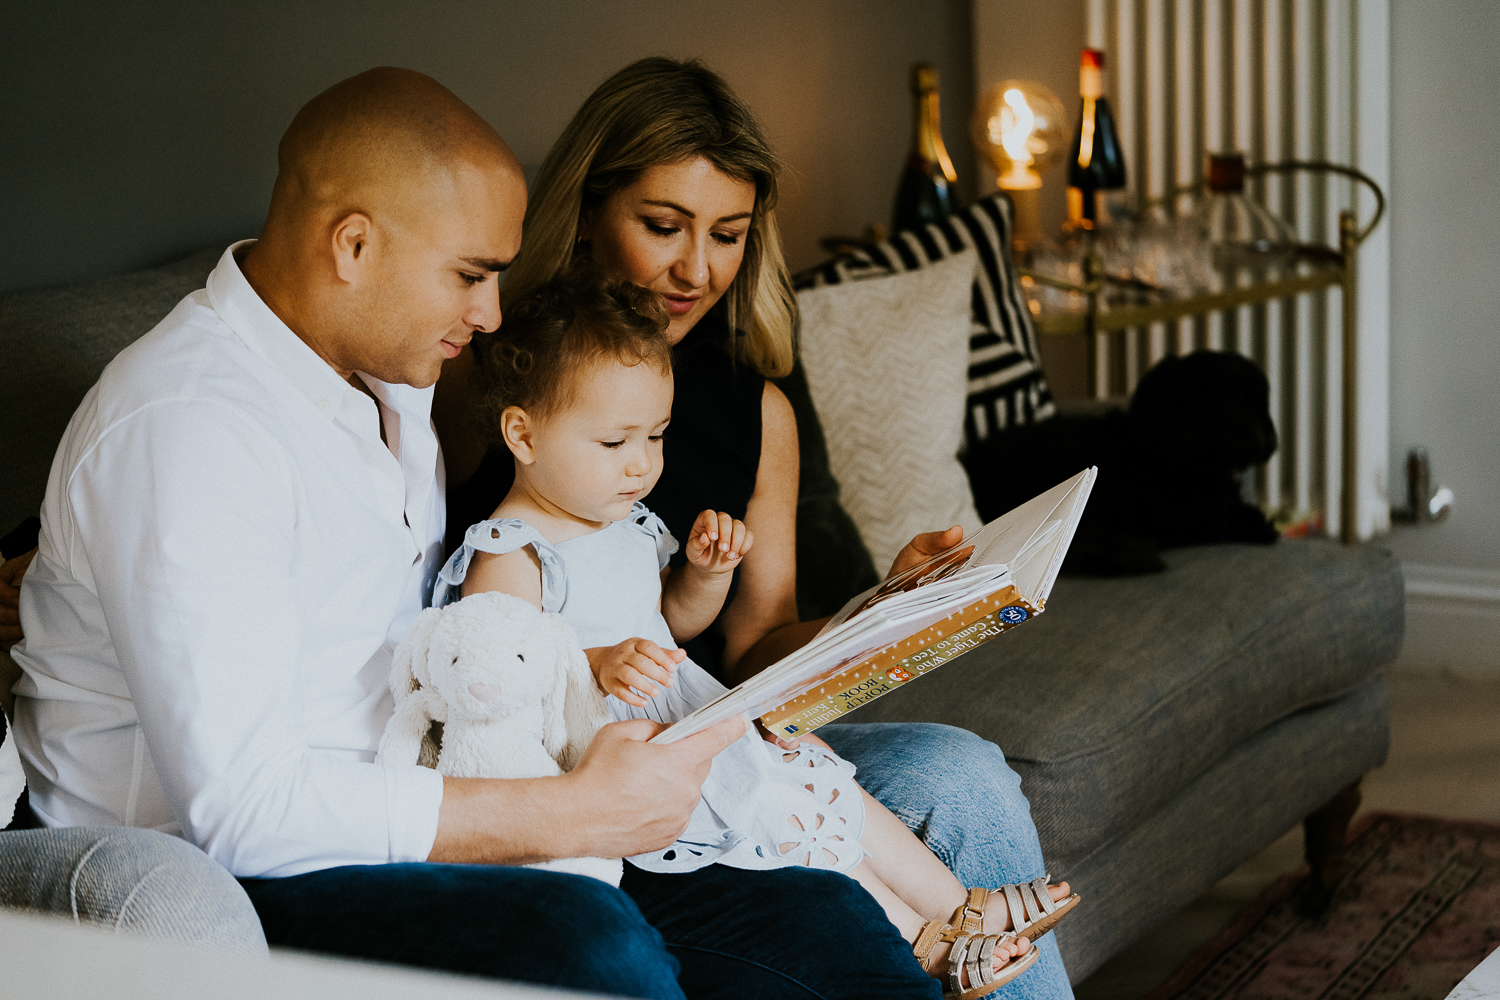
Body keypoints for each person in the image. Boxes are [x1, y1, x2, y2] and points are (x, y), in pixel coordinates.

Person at [7, 67, 747, 999]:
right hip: (241, 873)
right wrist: (566, 811)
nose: (487, 318)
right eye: (472, 277)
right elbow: (247, 813)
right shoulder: (186, 427)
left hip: (418, 800)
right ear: (353, 246)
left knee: (803, 910)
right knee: (589, 946)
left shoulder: (394, 381)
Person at [436, 56, 1077, 1000]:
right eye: (663, 227)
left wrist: (885, 609)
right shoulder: (485, 370)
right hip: (571, 747)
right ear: (588, 208)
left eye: (728, 235)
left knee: (962, 768)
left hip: (702, 717)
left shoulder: (754, 410)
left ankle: (969, 947)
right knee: (950, 778)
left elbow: (754, 642)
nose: (696, 269)